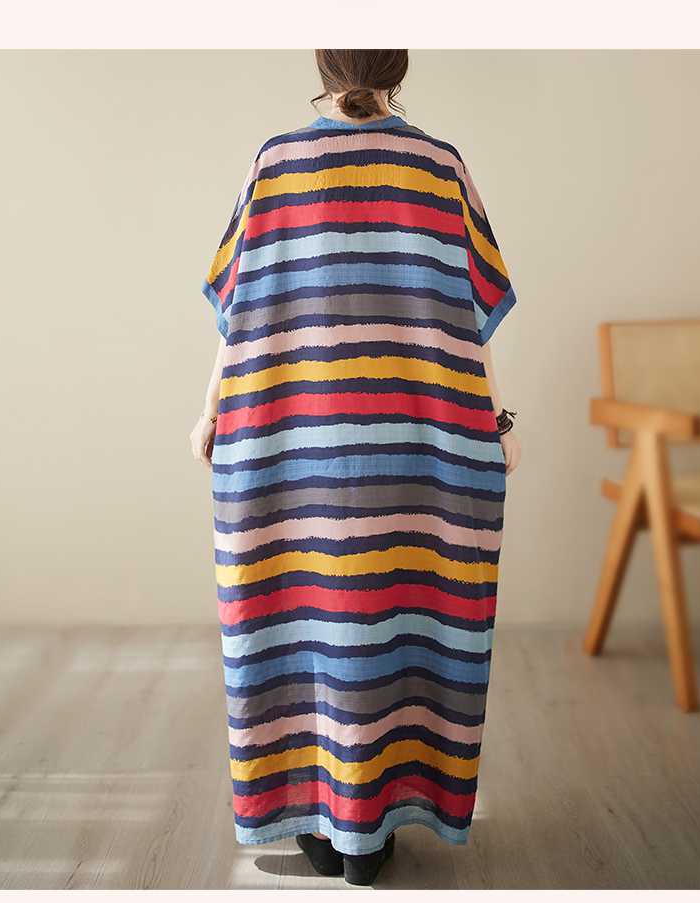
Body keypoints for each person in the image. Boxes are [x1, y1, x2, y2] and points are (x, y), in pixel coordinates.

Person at [190, 49, 522, 886]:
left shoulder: (277, 162)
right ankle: (373, 829)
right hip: (420, 449)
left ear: (324, 62)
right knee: (397, 628)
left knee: (299, 630)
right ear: (398, 65)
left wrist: (210, 409)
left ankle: (323, 821)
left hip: (290, 449)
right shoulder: (440, 166)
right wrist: (498, 421)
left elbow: (240, 311)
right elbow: (474, 315)